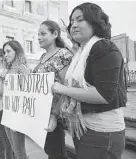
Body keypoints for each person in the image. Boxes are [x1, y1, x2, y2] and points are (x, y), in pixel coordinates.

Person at [51, 3, 126, 159]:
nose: (74, 25)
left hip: (102, 133)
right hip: (83, 128)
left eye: (80, 19)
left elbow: (103, 95)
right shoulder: (81, 53)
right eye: (72, 21)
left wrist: (61, 89)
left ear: (95, 22)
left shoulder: (104, 47)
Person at [33, 20, 73, 159]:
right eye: (38, 34)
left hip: (55, 115)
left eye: (43, 33)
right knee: (50, 150)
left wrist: (54, 115)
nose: (38, 37)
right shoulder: (42, 57)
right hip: (41, 114)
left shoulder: (64, 55)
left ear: (55, 34)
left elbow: (67, 87)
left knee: (57, 154)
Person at [2, 40, 30, 159]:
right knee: (15, 150)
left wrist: (20, 117)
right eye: (4, 52)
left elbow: (29, 92)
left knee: (19, 153)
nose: (5, 55)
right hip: (7, 112)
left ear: (17, 52)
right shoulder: (8, 69)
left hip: (17, 114)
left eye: (8, 51)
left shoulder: (22, 68)